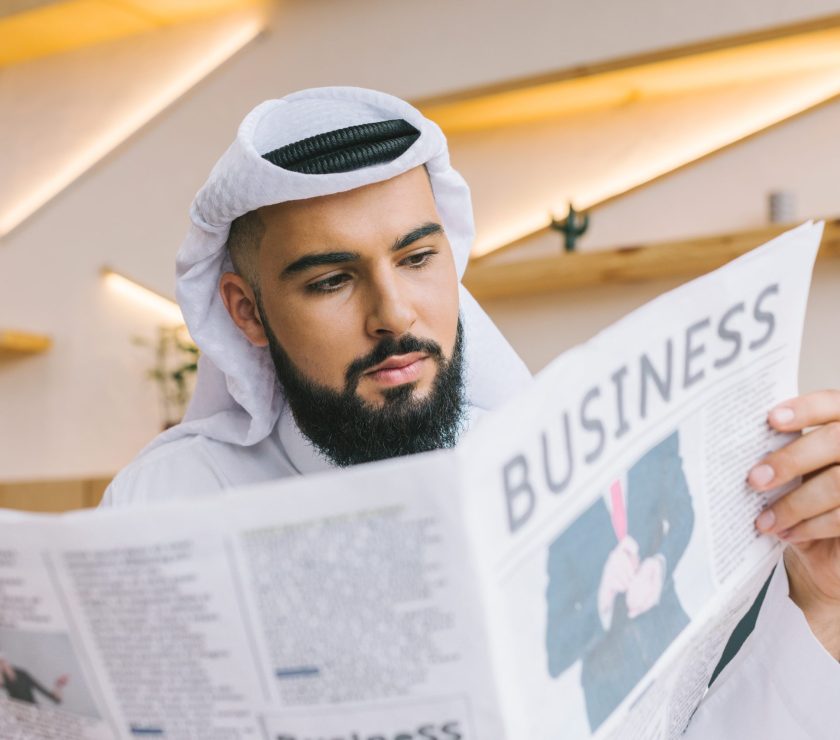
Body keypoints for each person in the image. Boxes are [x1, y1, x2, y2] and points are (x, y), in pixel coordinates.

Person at [102, 87, 840, 737]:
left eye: (418, 259)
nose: (394, 315)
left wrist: (819, 605)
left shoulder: (564, 488)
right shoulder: (162, 502)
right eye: (332, 280)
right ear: (246, 311)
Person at [546, 431, 694, 730]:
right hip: (612, 699)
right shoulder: (557, 501)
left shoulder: (654, 438)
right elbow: (556, 651)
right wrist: (602, 596)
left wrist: (660, 564)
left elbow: (683, 515)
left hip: (677, 648)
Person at [0, 652, 68, 707]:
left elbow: (55, 699)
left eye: (2, 662)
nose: (2, 666)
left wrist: (58, 685)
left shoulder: (23, 675)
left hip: (33, 711)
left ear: (6, 661)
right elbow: (2, 684)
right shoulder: (4, 680)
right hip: (17, 713)